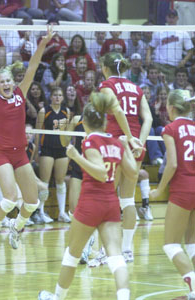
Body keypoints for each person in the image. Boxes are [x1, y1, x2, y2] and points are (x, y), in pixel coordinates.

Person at [38, 98, 138, 300]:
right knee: (116, 257)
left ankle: (57, 297)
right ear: (105, 122)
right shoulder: (115, 142)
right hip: (111, 204)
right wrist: (125, 146)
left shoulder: (90, 141)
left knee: (72, 255)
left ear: (84, 123)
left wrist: (76, 157)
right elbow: (133, 173)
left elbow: (100, 172)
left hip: (91, 203)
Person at [0, 25, 54, 259]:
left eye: (8, 81)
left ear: (13, 83)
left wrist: (44, 41)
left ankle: (17, 228)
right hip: (1, 153)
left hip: (20, 155)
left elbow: (32, 65)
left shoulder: (21, 94)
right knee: (10, 198)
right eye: (0, 81)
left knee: (31, 203)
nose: (5, 84)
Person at [96, 52, 152, 262]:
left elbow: (117, 111)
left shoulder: (106, 85)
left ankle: (105, 252)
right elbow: (148, 118)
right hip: (135, 145)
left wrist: (127, 137)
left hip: (115, 144)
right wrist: (139, 141)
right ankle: (127, 250)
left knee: (107, 197)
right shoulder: (136, 88)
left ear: (105, 68)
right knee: (127, 198)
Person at [149, 89, 195, 299]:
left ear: (172, 107)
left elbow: (173, 163)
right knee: (192, 242)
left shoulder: (170, 128)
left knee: (170, 245)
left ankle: (193, 288)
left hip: (183, 189)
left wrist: (159, 189)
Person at [35, 86, 71, 223]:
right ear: (51, 97)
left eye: (59, 95)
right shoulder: (44, 111)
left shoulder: (66, 111)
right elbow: (37, 133)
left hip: (61, 149)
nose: (57, 97)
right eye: (55, 95)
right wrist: (38, 151)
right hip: (47, 149)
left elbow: (68, 132)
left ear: (62, 97)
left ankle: (61, 212)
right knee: (44, 181)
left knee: (60, 181)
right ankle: (41, 212)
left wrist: (68, 147)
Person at [146, 9, 194, 83]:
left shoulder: (183, 32)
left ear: (177, 18)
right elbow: (150, 47)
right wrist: (147, 58)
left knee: (170, 88)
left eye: (173, 17)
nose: (171, 19)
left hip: (174, 66)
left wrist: (184, 61)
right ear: (166, 18)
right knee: (158, 87)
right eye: (169, 17)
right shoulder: (159, 31)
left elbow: (190, 50)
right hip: (159, 65)